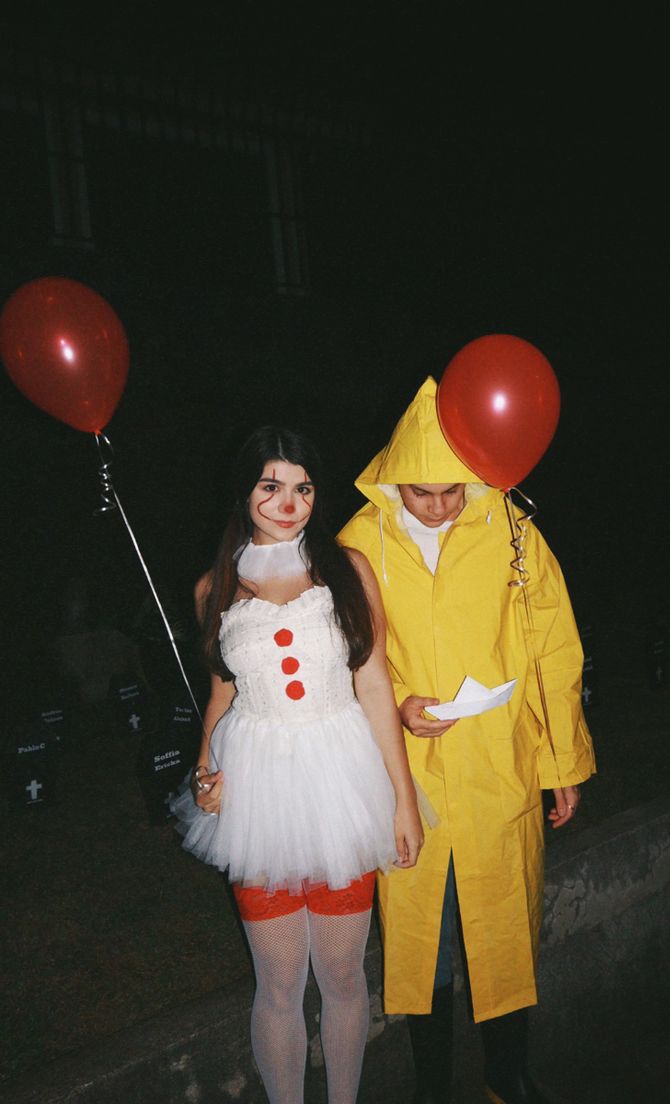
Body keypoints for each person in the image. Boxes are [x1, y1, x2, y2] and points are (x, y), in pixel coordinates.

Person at [338, 378, 596, 1104]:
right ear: (395, 481)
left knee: (504, 930)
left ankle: (507, 1076)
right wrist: (400, 707)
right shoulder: (360, 543)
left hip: (499, 765)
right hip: (406, 773)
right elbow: (344, 658)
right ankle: (430, 1086)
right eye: (424, 493)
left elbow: (554, 647)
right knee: (428, 940)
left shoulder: (511, 530)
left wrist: (562, 763)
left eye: (455, 489)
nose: (443, 505)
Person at [171, 426, 423, 1104]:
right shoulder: (213, 586)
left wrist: (401, 800)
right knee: (278, 983)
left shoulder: (348, 568)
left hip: (342, 783)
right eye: (271, 485)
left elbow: (374, 686)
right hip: (257, 793)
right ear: (245, 492)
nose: (288, 501)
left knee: (341, 976)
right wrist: (204, 773)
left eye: (303, 487)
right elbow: (221, 690)